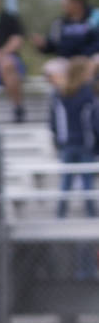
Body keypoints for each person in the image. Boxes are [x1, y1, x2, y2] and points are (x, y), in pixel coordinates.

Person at [50, 56, 99, 220]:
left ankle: (61, 213)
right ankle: (91, 214)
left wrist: (58, 140)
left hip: (67, 144)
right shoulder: (89, 92)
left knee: (66, 181)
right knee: (87, 180)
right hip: (86, 143)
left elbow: (53, 122)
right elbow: (95, 120)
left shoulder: (59, 93)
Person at [32, 0, 99, 88]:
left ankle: (89, 96)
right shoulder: (59, 23)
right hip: (66, 60)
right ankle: (68, 95)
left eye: (67, 2)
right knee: (50, 68)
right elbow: (53, 45)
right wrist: (43, 45)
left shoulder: (94, 19)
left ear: (77, 3)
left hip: (88, 59)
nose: (64, 5)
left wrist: (83, 56)